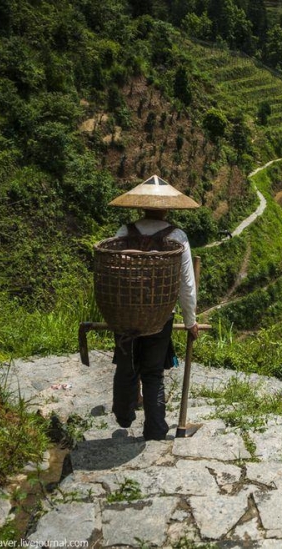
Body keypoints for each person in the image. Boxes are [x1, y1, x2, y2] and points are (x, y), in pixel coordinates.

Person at [107, 175, 201, 440]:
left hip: (125, 312)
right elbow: (186, 284)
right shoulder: (177, 236)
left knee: (126, 363)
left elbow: (114, 270)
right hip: (160, 315)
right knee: (153, 372)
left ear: (141, 206)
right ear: (167, 207)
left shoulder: (125, 232)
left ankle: (124, 415)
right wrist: (190, 319)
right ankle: (156, 429)